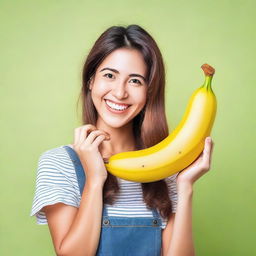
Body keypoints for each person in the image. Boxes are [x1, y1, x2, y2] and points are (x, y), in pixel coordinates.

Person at [30, 24, 214, 256]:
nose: (120, 93)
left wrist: (185, 186)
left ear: (149, 92)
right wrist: (95, 179)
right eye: (109, 75)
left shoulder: (164, 168)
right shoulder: (59, 163)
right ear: (90, 81)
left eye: (135, 81)